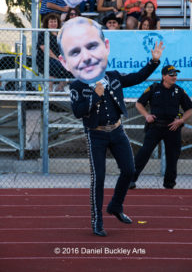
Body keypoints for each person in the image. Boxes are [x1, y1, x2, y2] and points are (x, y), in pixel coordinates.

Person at [57, 16, 164, 236]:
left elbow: (136, 77)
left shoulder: (113, 76)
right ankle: (97, 221)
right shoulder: (77, 85)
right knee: (99, 178)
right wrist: (95, 97)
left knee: (129, 170)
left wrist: (154, 62)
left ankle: (116, 205)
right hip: (95, 135)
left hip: (117, 130)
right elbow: (78, 112)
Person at [129, 65, 192, 190]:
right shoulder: (154, 88)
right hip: (155, 127)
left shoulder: (179, 91)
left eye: (175, 75)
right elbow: (139, 104)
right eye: (171, 75)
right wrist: (147, 115)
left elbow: (189, 111)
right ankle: (131, 179)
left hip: (172, 129)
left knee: (172, 157)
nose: (174, 77)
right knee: (144, 153)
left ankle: (169, 185)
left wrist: (181, 121)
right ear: (164, 76)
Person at [36, 13, 72, 91]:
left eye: (55, 21)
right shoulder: (43, 33)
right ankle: (49, 91)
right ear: (47, 23)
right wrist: (58, 60)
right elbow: (45, 49)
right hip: (45, 59)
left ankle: (59, 88)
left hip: (59, 59)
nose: (53, 24)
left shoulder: (60, 34)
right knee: (54, 66)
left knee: (72, 68)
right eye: (51, 22)